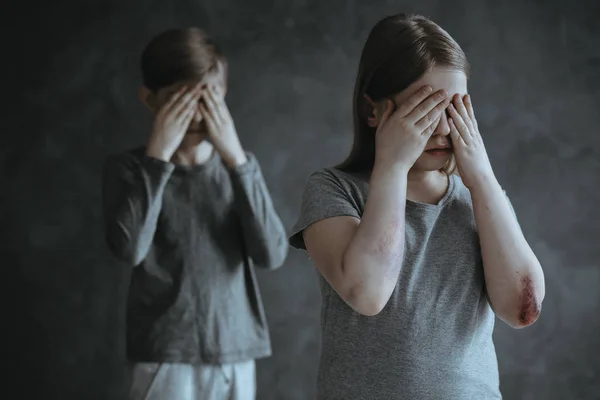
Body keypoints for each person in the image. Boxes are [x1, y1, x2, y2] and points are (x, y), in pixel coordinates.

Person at [289, 13, 546, 400]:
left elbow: (521, 309)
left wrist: (483, 180)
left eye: (454, 109)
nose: (443, 128)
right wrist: (391, 167)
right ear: (373, 110)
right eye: (425, 109)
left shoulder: (479, 199)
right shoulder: (333, 190)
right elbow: (368, 293)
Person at [101, 27, 288, 400]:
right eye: (178, 101)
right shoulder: (129, 169)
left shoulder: (239, 170)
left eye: (207, 98)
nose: (196, 114)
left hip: (236, 352)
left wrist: (237, 160)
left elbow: (273, 253)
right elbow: (130, 249)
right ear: (150, 100)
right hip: (164, 357)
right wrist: (157, 159)